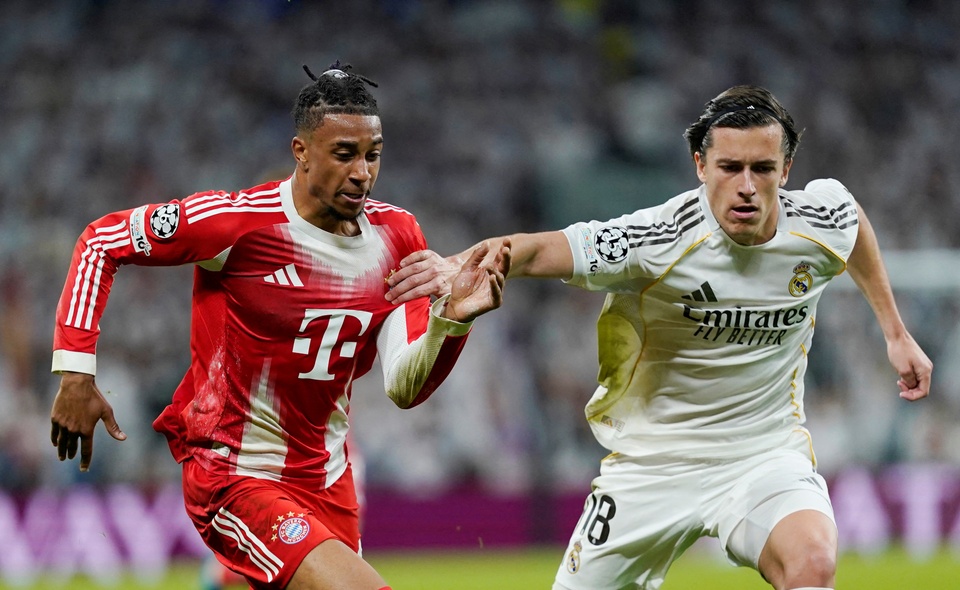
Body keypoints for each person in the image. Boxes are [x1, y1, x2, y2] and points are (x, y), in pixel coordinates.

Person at [384, 85, 933, 590]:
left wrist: (895, 332)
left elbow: (853, 223)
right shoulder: (658, 239)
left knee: (812, 564)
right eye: (729, 167)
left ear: (786, 169)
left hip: (763, 455)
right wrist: (459, 265)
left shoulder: (818, 221)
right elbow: (538, 250)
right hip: (652, 466)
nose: (746, 186)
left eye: (763, 168)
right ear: (700, 165)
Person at [48, 62, 510, 590]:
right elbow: (101, 242)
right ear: (301, 151)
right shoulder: (239, 223)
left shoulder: (398, 236)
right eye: (344, 154)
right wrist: (76, 373)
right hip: (235, 474)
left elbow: (405, 386)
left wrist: (450, 322)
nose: (362, 172)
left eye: (373, 154)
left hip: (328, 480)